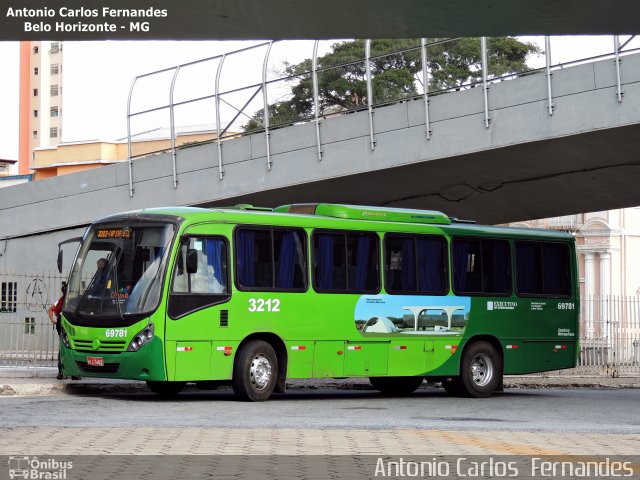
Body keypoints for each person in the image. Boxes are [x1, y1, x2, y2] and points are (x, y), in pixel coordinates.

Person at [48, 282, 67, 380]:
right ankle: (65, 371)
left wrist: (53, 320)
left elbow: (51, 310)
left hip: (61, 327)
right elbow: (52, 310)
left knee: (62, 348)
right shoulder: (69, 300)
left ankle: (61, 372)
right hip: (67, 328)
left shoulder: (60, 300)